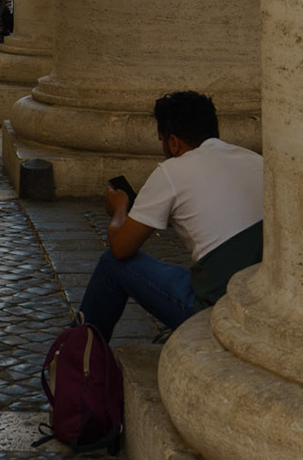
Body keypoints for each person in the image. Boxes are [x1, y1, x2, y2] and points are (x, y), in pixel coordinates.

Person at [79, 91, 263, 337]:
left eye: (162, 141)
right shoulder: (255, 160)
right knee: (180, 272)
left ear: (174, 143)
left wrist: (119, 209)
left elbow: (121, 248)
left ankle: (77, 356)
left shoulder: (172, 171)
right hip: (259, 302)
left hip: (215, 310)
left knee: (112, 264)